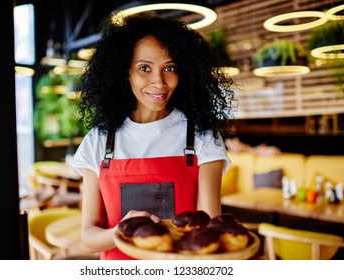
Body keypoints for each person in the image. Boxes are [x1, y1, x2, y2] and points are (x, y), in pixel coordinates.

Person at [70, 13, 236, 260]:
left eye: (169, 68)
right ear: (125, 72)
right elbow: (90, 238)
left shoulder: (202, 137)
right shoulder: (98, 141)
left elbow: (208, 230)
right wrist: (123, 230)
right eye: (144, 68)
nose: (159, 82)